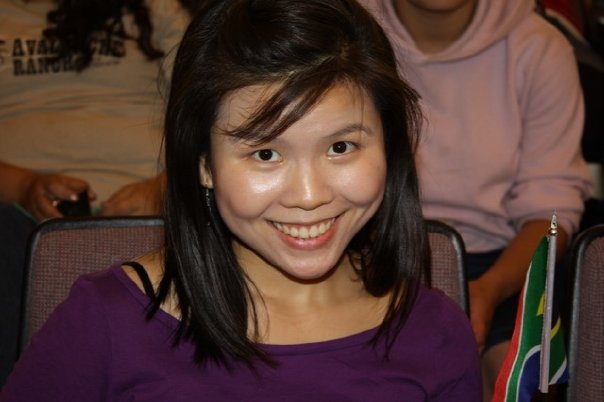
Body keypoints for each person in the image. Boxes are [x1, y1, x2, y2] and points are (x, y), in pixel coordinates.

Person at [0, 0, 482, 400]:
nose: (309, 196)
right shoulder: (104, 324)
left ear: (390, 146)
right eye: (266, 153)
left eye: (341, 147)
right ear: (204, 164)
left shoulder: (436, 331)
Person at [358, 0, 593, 399]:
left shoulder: (539, 47)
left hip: (504, 266)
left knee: (523, 385)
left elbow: (552, 208)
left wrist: (489, 290)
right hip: (374, 249)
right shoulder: (346, 36)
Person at [0, 0, 187, 386]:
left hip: (157, 202)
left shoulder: (154, 8)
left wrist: (166, 186)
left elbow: (214, 107)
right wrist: (24, 186)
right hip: (15, 213)